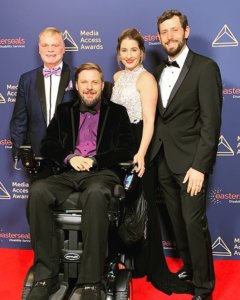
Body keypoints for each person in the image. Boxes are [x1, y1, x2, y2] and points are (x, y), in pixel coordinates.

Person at [25, 62, 134, 300]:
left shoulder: (117, 112)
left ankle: (91, 282)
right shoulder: (64, 112)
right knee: (38, 191)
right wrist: (70, 157)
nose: (89, 87)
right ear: (76, 85)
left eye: (95, 82)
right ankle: (47, 276)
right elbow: (48, 144)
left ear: (102, 84)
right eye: (84, 82)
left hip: (101, 173)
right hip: (67, 172)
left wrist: (95, 161)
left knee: (95, 194)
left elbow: (126, 149)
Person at [111, 28, 193, 295]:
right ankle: (132, 263)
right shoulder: (116, 76)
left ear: (142, 52)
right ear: (119, 53)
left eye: (134, 49)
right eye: (124, 50)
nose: (129, 55)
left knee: (144, 208)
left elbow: (149, 121)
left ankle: (152, 265)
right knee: (124, 207)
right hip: (119, 146)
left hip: (139, 145)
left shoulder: (146, 79)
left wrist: (142, 153)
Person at [147, 9, 222, 300]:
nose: (169, 36)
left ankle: (204, 286)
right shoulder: (156, 72)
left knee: (193, 222)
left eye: (174, 30)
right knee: (177, 221)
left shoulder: (205, 68)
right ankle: (190, 267)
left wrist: (200, 166)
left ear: (186, 32)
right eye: (164, 32)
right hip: (164, 159)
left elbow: (210, 123)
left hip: (191, 163)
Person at [10, 26, 76, 167]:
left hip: (72, 156)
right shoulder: (27, 79)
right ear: (39, 50)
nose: (50, 50)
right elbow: (19, 120)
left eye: (55, 45)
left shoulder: (77, 76)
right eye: (45, 45)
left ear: (63, 49)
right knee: (38, 190)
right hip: (38, 157)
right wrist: (18, 151)